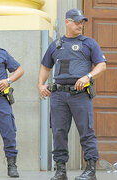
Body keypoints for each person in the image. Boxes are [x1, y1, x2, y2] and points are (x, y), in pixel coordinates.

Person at [38, 8, 106, 180]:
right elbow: (46, 66)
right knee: (59, 132)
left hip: (80, 94)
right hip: (59, 95)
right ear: (67, 22)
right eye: (76, 21)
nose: (80, 25)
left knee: (86, 131)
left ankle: (90, 171)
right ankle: (60, 171)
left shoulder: (89, 43)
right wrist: (40, 84)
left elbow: (101, 65)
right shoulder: (56, 45)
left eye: (82, 22)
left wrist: (88, 76)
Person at [0, 48, 24, 178]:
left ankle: (12, 165)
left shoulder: (1, 53)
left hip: (1, 99)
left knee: (9, 131)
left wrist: (7, 81)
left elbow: (19, 70)